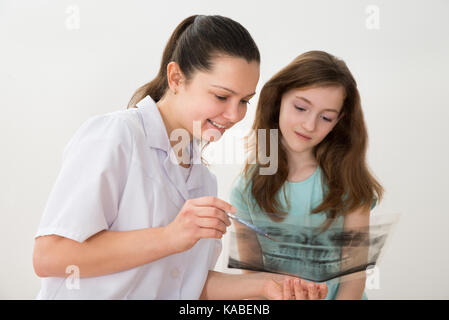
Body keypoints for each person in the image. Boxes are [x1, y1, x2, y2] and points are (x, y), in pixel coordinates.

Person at [32, 15, 327, 300]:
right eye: (222, 97)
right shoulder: (117, 135)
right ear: (176, 78)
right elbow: (50, 256)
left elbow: (183, 284)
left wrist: (266, 285)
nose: (235, 114)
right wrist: (170, 236)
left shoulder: (201, 178)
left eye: (244, 101)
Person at [230, 50, 384, 300]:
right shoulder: (246, 187)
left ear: (338, 121)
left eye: (326, 117)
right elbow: (252, 278)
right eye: (301, 108)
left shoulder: (348, 181)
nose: (310, 125)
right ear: (278, 98)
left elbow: (354, 279)